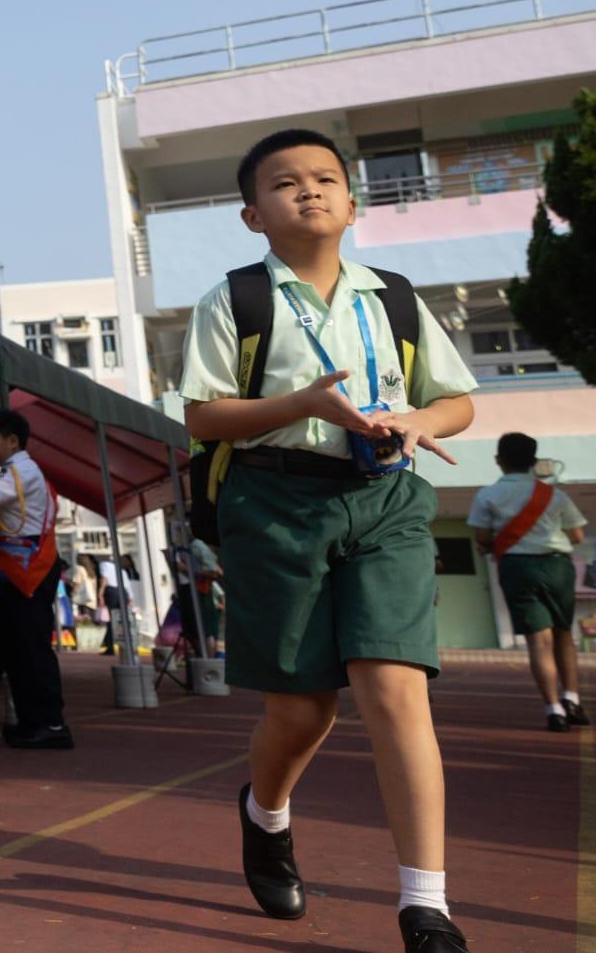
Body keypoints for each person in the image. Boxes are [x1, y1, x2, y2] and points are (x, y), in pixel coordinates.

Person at [181, 128, 477, 952]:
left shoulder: (395, 298)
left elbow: (455, 400)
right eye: (285, 183)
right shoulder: (236, 299)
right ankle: (265, 811)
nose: (308, 191)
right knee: (302, 708)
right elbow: (203, 416)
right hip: (274, 503)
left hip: (387, 497)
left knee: (393, 685)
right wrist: (302, 403)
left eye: (325, 179)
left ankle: (427, 905)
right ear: (251, 213)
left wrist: (418, 420)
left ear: (351, 201)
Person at [469, 432, 588, 730]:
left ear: (498, 460)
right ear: (534, 462)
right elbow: (577, 536)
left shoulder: (487, 495)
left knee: (538, 640)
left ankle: (554, 709)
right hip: (557, 566)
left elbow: (482, 538)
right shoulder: (556, 495)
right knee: (563, 634)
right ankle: (572, 698)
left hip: (517, 567)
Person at [0, 409, 72, 750]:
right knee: (18, 648)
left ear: (12, 441)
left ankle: (50, 722)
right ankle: (34, 720)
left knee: (32, 648)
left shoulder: (21, 472)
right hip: (18, 571)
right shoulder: (17, 471)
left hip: (28, 571)